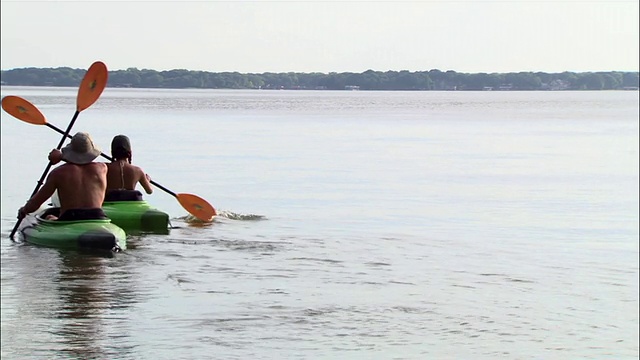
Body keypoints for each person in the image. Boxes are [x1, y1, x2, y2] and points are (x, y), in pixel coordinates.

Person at [18, 132, 108, 221]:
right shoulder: (102, 169)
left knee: (49, 217)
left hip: (70, 218)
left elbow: (36, 203)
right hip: (97, 216)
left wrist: (24, 210)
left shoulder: (58, 173)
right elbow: (81, 164)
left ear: (71, 151)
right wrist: (62, 157)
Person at [105, 135, 153, 201]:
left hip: (111, 202)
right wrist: (147, 180)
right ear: (130, 153)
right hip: (132, 203)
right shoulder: (138, 170)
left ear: (112, 153)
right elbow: (149, 191)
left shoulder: (104, 168)